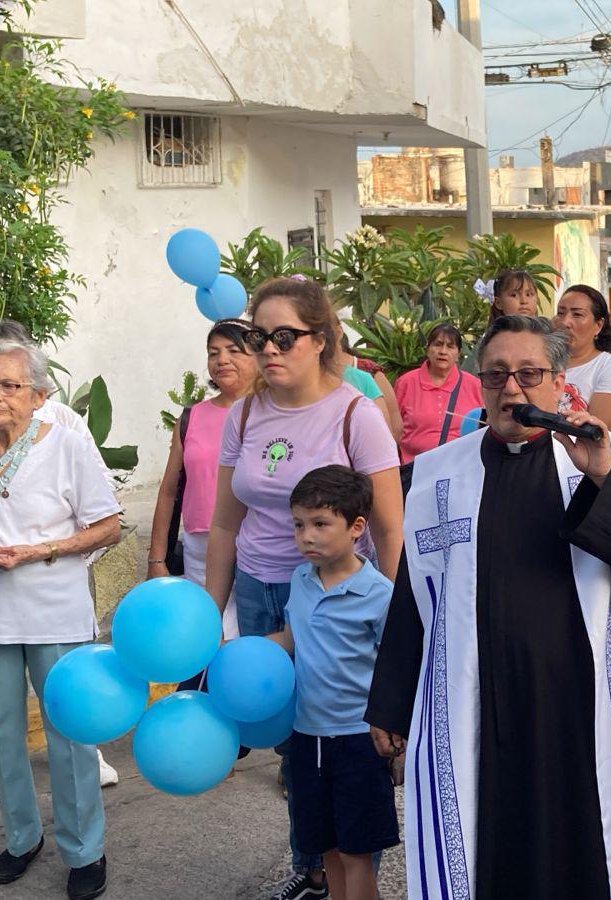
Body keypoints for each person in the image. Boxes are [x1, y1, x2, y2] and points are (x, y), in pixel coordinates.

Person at [365, 315, 611, 900]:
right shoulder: (437, 474)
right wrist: (392, 701)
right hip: (477, 702)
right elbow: (417, 596)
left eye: (528, 373)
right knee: (487, 849)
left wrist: (600, 477)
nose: (512, 389)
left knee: (587, 850)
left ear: (559, 380)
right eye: (496, 375)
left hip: (579, 704)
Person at [203, 276, 403, 900]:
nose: (268, 350)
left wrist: (397, 644)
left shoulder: (356, 414)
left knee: (334, 740)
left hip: (336, 597)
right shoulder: (244, 412)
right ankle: (312, 868)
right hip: (264, 591)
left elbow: (392, 531)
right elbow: (224, 523)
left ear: (321, 339)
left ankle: (337, 869)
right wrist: (210, 617)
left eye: (284, 336)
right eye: (259, 337)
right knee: (295, 748)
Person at [0, 339, 121, 900]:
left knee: (71, 731)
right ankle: (20, 838)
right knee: (0, 733)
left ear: (38, 395)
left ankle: (85, 850)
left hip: (55, 611)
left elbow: (107, 526)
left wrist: (36, 552)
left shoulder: (69, 445)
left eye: (9, 386)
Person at [266, 466, 398, 900]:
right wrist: (235, 650)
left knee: (358, 855)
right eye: (299, 524)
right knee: (326, 849)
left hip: (358, 741)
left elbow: (394, 667)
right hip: (307, 737)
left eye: (320, 524)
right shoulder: (300, 580)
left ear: (356, 527)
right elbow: (291, 638)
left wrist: (396, 734)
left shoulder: (378, 594)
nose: (306, 536)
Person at [149, 320, 258, 587]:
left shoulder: (274, 413)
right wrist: (156, 559)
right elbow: (169, 491)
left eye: (234, 350)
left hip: (258, 544)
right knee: (207, 625)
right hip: (199, 549)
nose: (222, 360)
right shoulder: (191, 417)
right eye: (213, 352)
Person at [394, 323, 482, 464]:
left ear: (458, 354)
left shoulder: (474, 386)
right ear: (427, 349)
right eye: (438, 344)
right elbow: (392, 430)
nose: (443, 351)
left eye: (450, 346)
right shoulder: (406, 383)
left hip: (459, 470)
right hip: (414, 472)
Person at [553, 284, 611, 429]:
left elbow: (595, 432)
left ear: (598, 325)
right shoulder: (541, 362)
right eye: (560, 313)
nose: (565, 322)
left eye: (577, 314)